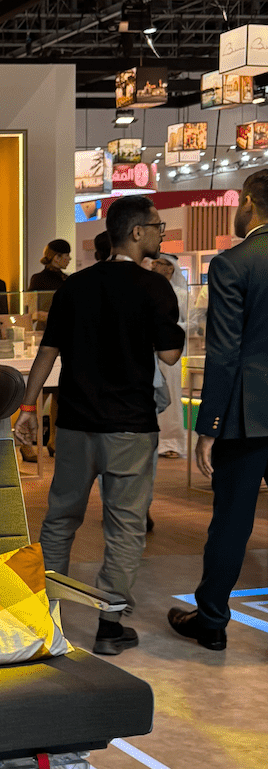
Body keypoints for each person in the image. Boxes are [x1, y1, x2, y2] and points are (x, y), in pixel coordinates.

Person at [15, 197, 183, 655]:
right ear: (136, 232)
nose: (161, 233)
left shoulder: (75, 286)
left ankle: (44, 618)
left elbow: (47, 353)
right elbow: (170, 355)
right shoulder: (155, 287)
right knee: (125, 526)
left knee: (60, 520)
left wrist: (28, 408)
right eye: (157, 226)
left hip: (75, 423)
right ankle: (110, 626)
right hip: (130, 427)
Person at [169, 170, 268, 652]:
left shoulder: (233, 263)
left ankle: (211, 620)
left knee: (232, 520)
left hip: (248, 414)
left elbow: (224, 353)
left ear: (248, 202)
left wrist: (207, 426)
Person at [151, 254, 189, 458]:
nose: (154, 265)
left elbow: (191, 322)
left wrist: (169, 329)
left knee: (171, 396)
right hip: (149, 350)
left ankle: (171, 442)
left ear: (170, 268)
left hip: (171, 350)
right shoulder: (149, 289)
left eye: (160, 263)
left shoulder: (181, 294)